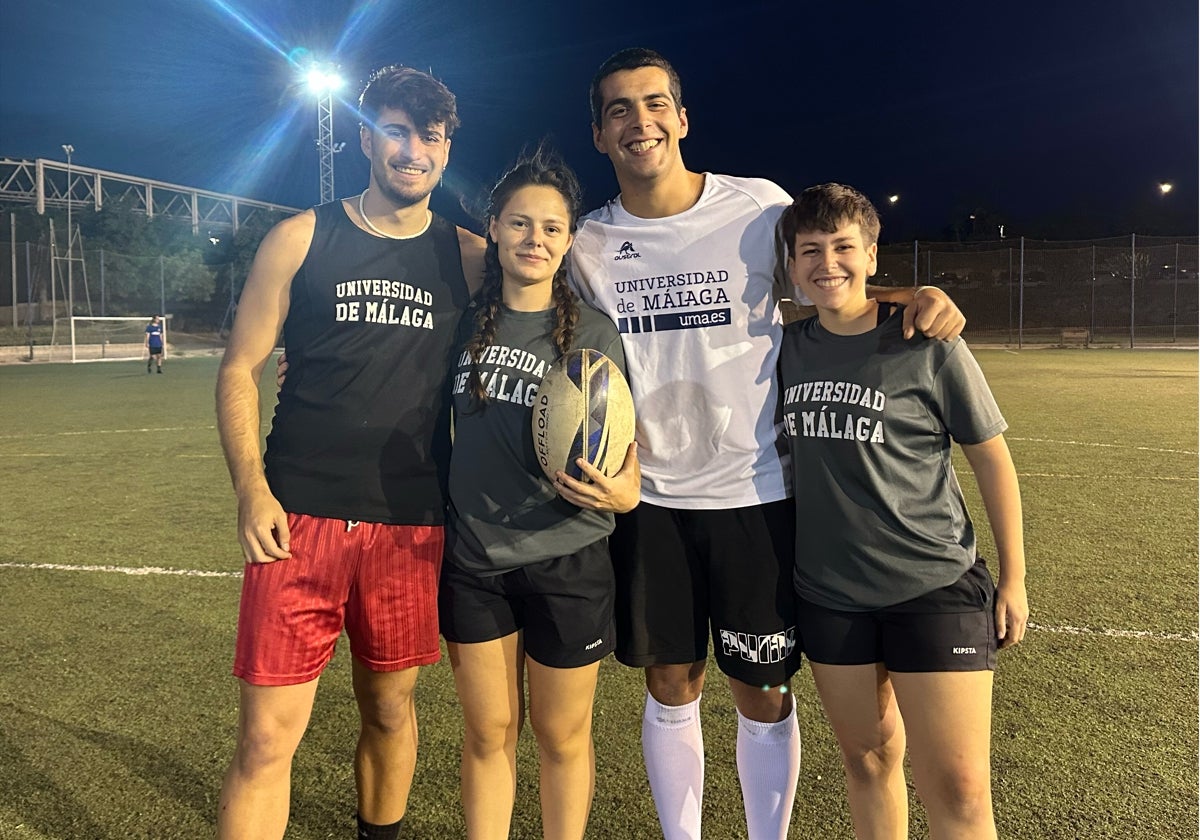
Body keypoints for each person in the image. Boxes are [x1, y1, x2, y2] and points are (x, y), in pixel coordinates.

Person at [566, 48, 967, 840]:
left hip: (758, 492)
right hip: (648, 498)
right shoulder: (587, 243)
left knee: (763, 689)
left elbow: (832, 285)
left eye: (653, 104)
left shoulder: (756, 209)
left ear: (682, 119)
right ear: (599, 134)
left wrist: (911, 295)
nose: (637, 121)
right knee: (670, 683)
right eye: (618, 109)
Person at [214, 65, 484, 840]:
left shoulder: (468, 258)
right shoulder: (301, 236)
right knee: (266, 737)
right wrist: (250, 489)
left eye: (430, 137)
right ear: (367, 137)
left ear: (445, 147)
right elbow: (241, 367)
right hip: (296, 520)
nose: (413, 150)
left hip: (409, 521)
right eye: (397, 131)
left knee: (390, 710)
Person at [777, 183, 1028, 839]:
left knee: (963, 790)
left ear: (870, 252)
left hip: (933, 585)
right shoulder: (785, 349)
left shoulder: (927, 340)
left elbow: (992, 460)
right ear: (791, 263)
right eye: (809, 250)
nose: (826, 263)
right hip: (830, 595)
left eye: (842, 247)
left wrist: (1015, 578)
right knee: (868, 763)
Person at [439, 149, 640, 840]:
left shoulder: (593, 332)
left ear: (569, 238)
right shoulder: (464, 321)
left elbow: (627, 466)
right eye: (520, 224)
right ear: (493, 228)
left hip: (569, 557)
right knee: (488, 734)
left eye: (552, 228)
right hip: (476, 557)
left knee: (562, 738)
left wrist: (620, 494)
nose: (535, 240)